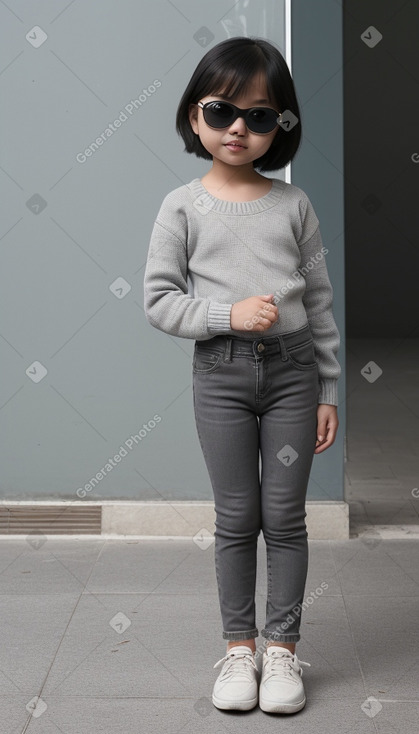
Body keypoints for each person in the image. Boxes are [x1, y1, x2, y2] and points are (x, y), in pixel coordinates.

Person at [143, 36, 341, 714]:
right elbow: (159, 301)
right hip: (220, 379)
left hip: (292, 379)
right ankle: (238, 652)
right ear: (194, 117)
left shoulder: (294, 207)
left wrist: (328, 389)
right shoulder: (181, 207)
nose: (238, 127)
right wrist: (228, 314)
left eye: (259, 116)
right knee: (236, 517)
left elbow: (316, 303)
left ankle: (282, 652)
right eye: (223, 110)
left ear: (279, 127)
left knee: (283, 516)